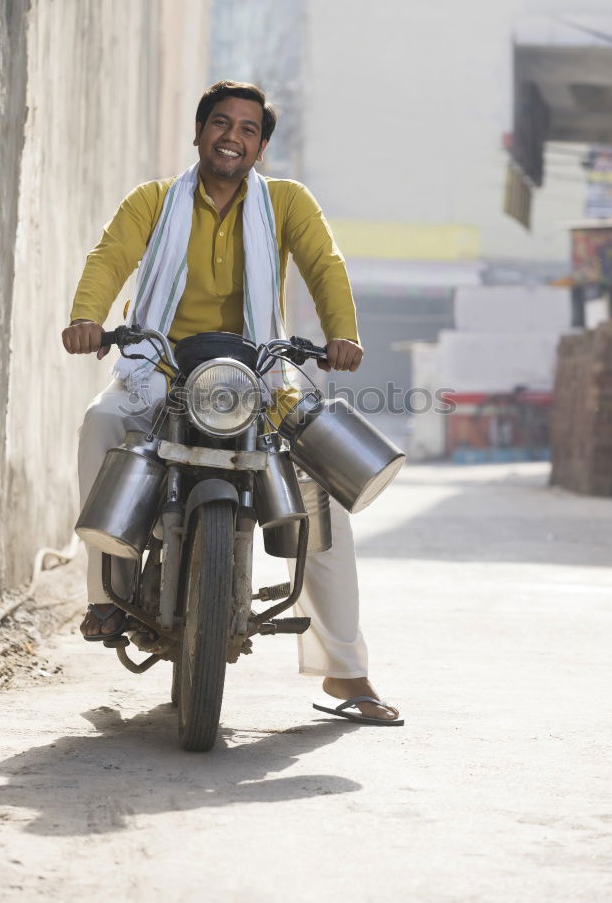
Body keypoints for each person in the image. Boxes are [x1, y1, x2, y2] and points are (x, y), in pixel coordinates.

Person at [62, 81, 400, 724]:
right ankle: (107, 593)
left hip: (260, 366)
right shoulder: (154, 201)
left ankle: (348, 673)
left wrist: (342, 335)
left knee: (318, 493)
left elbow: (323, 263)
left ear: (262, 146)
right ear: (198, 133)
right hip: (161, 361)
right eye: (221, 124)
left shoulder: (287, 203)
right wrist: (88, 319)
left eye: (248, 129)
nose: (232, 137)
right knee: (102, 421)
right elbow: (111, 257)